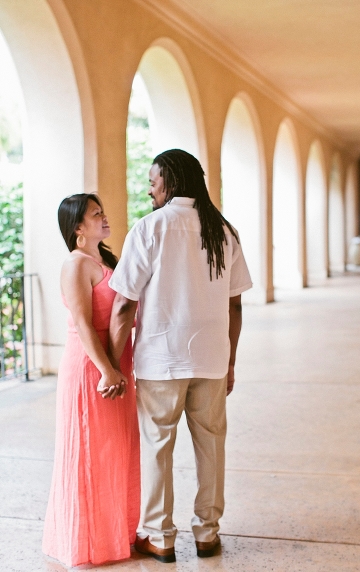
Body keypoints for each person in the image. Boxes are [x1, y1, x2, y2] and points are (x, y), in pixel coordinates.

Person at [108, 149, 251, 563]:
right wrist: (230, 361)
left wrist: (112, 363)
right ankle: (207, 533)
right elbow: (235, 305)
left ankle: (159, 535)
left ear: (169, 181)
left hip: (161, 359)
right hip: (211, 358)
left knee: (158, 446)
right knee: (212, 446)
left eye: (152, 182)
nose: (149, 190)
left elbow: (124, 304)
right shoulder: (224, 231)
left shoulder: (149, 228)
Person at [43, 194, 140, 567]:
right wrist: (107, 370)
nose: (104, 217)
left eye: (102, 211)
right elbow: (83, 324)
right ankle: (87, 543)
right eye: (96, 214)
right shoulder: (75, 264)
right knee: (90, 452)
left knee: (116, 450)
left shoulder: (105, 260)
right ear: (78, 228)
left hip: (117, 364)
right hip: (90, 368)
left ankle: (116, 535)